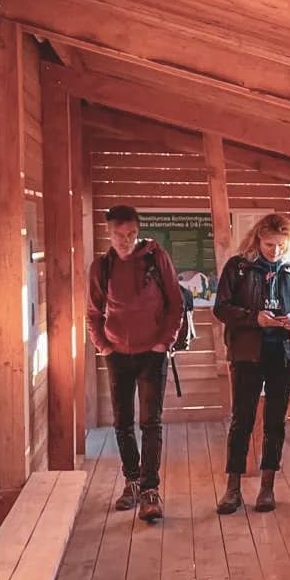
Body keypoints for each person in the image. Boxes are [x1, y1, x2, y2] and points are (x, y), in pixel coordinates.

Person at [86, 204, 186, 524]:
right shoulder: (101, 267)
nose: (126, 241)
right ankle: (131, 481)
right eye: (119, 235)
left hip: (152, 354)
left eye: (131, 234)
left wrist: (163, 343)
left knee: (150, 422)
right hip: (117, 354)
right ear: (109, 233)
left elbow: (176, 304)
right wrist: (104, 347)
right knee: (122, 421)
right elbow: (92, 313)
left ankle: (150, 491)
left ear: (138, 231)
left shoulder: (157, 259)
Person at [213, 212, 290, 515]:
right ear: (257, 239)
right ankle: (233, 488)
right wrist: (254, 319)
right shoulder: (238, 267)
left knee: (276, 422)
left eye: (280, 245)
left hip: (283, 353)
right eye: (268, 245)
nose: (274, 251)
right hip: (246, 353)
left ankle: (267, 487)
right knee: (242, 420)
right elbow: (221, 308)